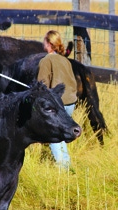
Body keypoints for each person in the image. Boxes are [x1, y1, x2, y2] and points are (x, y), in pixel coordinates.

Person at [37, 30, 78, 169]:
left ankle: (62, 167)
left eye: (44, 40)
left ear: (49, 43)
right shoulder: (65, 60)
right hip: (70, 102)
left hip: (57, 104)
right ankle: (66, 164)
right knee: (62, 134)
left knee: (54, 135)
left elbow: (41, 85)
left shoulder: (45, 60)